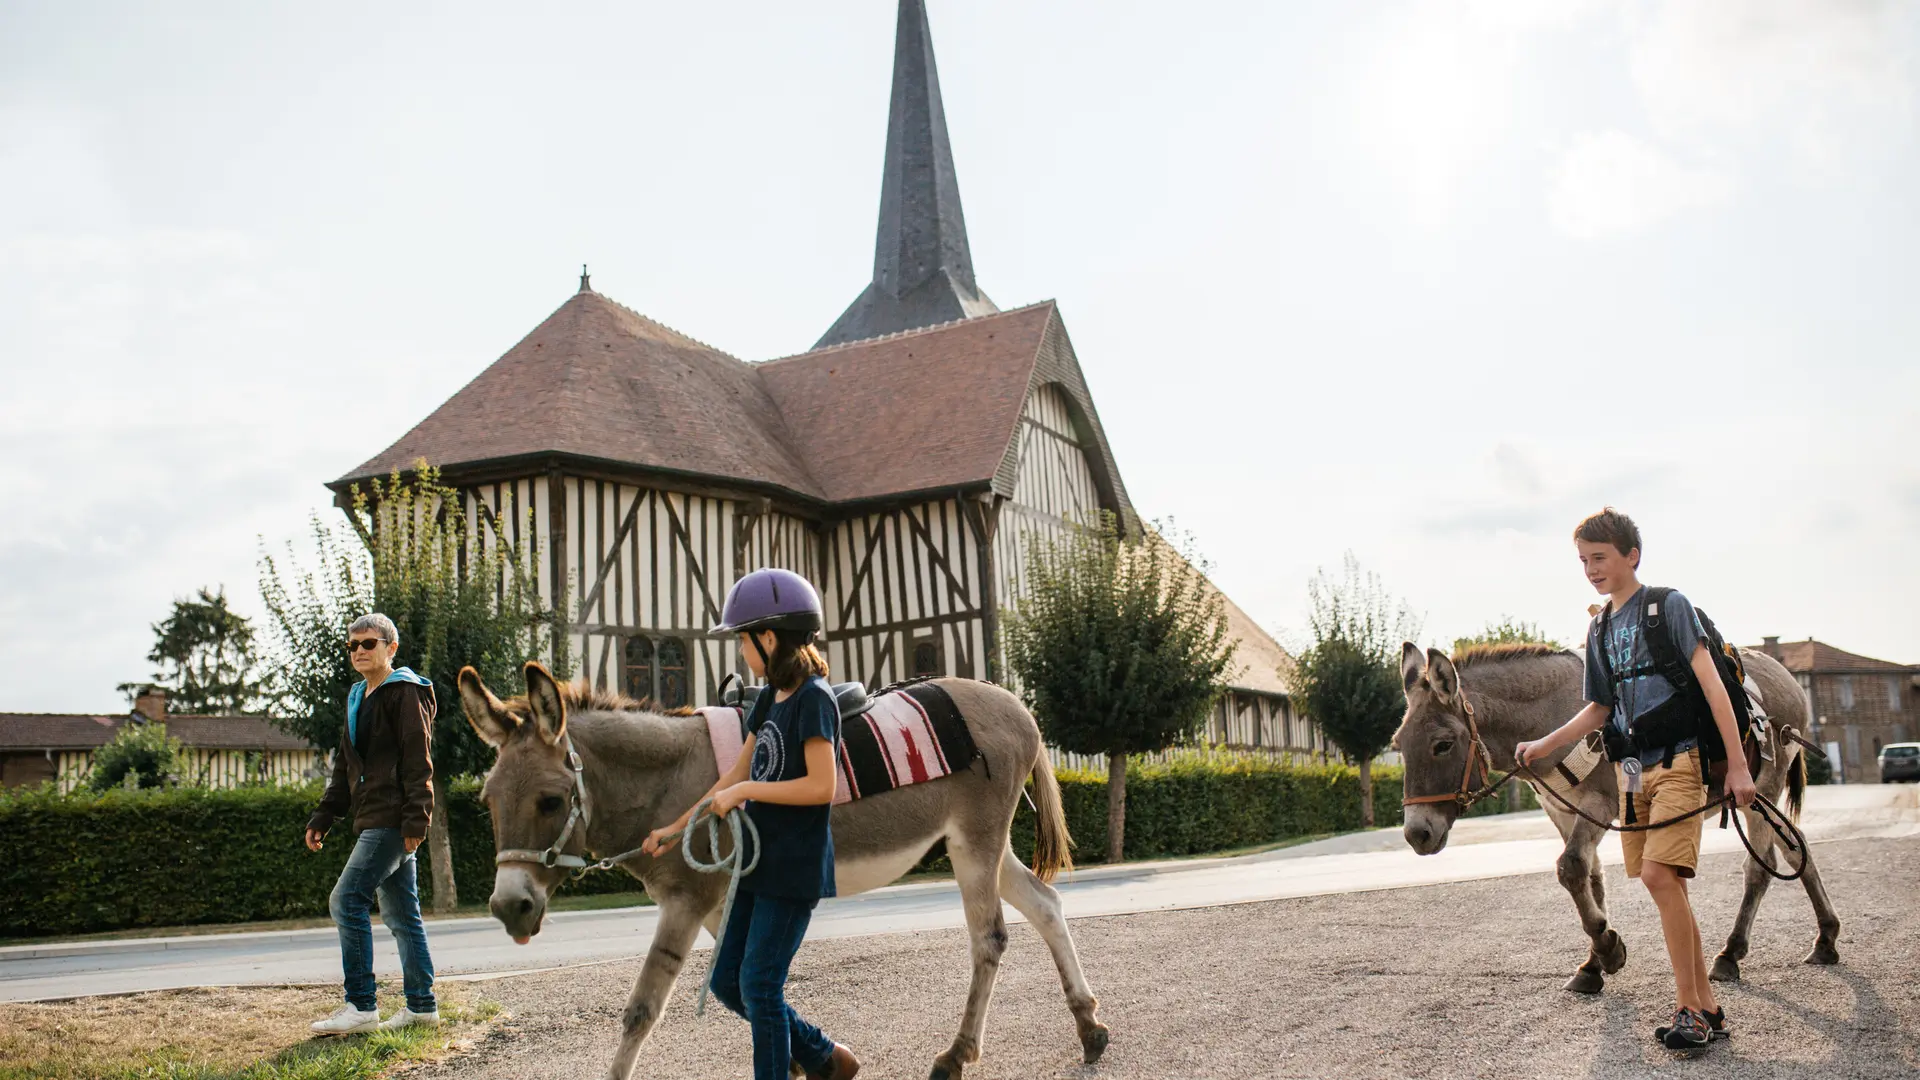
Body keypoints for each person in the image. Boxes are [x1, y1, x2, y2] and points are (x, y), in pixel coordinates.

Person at [1516, 509, 1757, 1051]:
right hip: (1631, 773)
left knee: (1657, 877)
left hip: (1680, 761)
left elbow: (1714, 686)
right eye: (1583, 560)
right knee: (1662, 883)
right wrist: (1545, 745)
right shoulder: (1599, 626)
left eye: (1599, 557)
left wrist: (1737, 765)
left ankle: (1689, 1010)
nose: (1591, 569)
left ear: (1632, 556)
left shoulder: (1666, 607)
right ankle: (1710, 1009)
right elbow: (1599, 708)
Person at [642, 568, 860, 1080]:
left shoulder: (815, 700)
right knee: (726, 982)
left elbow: (821, 786)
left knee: (760, 986)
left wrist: (746, 793)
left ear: (769, 637)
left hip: (794, 869)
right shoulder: (767, 698)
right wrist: (675, 828)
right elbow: (735, 775)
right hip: (758, 866)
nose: (740, 650)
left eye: (743, 638)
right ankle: (824, 1056)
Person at [304, 613, 442, 1035]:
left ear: (390, 648)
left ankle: (361, 1006)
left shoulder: (405, 692)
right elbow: (347, 765)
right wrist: (325, 815)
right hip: (372, 818)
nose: (360, 651)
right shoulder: (358, 696)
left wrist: (417, 817)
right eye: (353, 646)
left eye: (369, 643)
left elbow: (419, 761)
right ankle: (421, 1007)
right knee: (403, 916)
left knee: (345, 901)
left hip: (393, 818)